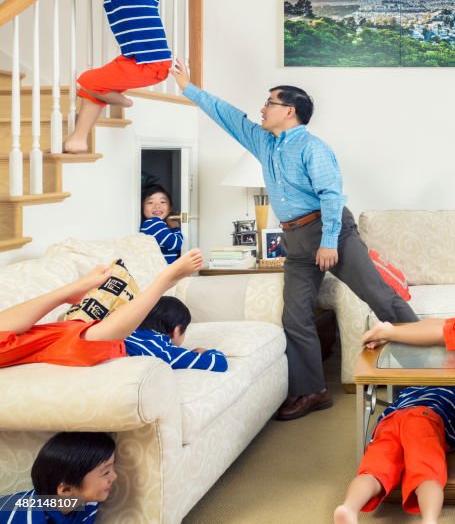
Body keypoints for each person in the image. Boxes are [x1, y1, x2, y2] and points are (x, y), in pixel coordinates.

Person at [170, 60, 418, 421]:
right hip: (296, 241)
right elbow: (227, 115)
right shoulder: (263, 141)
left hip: (330, 232)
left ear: (289, 111)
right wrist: (187, 87)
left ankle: (432, 372)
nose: (262, 108)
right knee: (296, 316)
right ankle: (312, 390)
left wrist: (330, 242)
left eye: (269, 103)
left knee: (380, 297)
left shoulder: (312, 148)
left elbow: (332, 195)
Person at [40, 0, 172, 154]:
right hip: (143, 60)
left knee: (88, 81)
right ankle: (77, 141)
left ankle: (124, 102)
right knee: (94, 89)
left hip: (148, 64)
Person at [0, 250, 203, 369]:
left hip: (46, 337)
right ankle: (163, 281)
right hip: (78, 341)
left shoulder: (141, 335)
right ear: (176, 330)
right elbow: (215, 363)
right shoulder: (158, 345)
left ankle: (68, 293)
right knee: (86, 339)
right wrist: (202, 354)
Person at [334, 386, 455, 524]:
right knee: (427, 474)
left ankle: (349, 507)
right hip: (424, 417)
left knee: (373, 472)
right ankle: (429, 520)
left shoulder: (409, 387)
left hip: (391, 419)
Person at [0, 431, 117, 522]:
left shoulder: (88, 502)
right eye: (105, 472)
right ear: (66, 490)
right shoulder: (28, 518)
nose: (114, 476)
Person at [124, 296, 228, 371]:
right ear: (177, 330)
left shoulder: (125, 329)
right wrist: (205, 351)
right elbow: (221, 363)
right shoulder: (166, 352)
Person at [140, 184, 183, 264]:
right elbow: (176, 244)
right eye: (150, 202)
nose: (157, 206)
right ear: (142, 207)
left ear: (170, 208)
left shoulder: (157, 225)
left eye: (162, 202)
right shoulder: (153, 223)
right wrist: (176, 227)